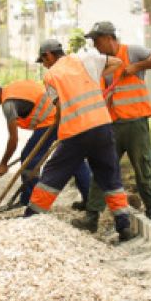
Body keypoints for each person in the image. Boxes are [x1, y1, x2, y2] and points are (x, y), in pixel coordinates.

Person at [25, 38, 136, 243]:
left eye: (43, 61)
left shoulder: (51, 76)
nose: (45, 65)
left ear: (49, 55)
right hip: (102, 127)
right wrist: (95, 78)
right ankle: (123, 224)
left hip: (75, 133)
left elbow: (59, 107)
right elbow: (117, 63)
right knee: (110, 177)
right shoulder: (85, 60)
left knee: (52, 175)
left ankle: (31, 218)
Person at [82, 21, 151, 227]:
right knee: (102, 168)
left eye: (96, 40)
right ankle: (92, 215)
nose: (95, 45)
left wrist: (138, 66)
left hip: (135, 124)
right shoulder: (100, 61)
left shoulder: (132, 52)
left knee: (143, 167)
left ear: (108, 38)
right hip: (111, 125)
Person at [0, 78, 92, 210]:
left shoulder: (8, 104)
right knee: (73, 158)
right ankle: (90, 200)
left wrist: (3, 163)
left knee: (29, 159)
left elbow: (13, 138)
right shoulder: (13, 88)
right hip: (64, 114)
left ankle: (32, 201)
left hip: (51, 121)